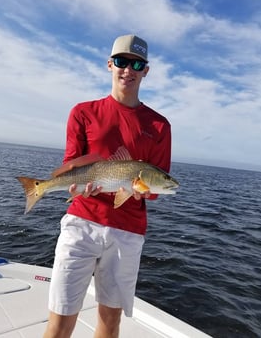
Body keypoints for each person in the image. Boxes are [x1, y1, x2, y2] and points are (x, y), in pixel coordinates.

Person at [43, 34, 171, 338]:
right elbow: (73, 162)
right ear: (109, 65)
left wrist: (144, 189)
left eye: (136, 64)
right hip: (81, 224)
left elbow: (155, 185)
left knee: (110, 321)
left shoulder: (159, 126)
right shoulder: (83, 112)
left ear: (146, 71)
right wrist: (74, 185)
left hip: (128, 232)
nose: (128, 70)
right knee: (60, 321)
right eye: (122, 62)